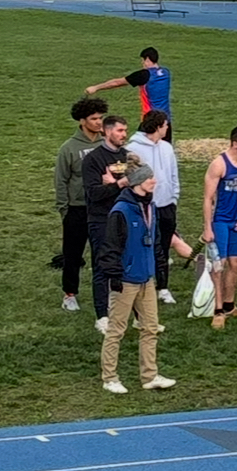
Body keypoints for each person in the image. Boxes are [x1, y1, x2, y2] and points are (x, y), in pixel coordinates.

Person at [98, 161, 176, 395]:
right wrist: (115, 277)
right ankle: (109, 377)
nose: (154, 181)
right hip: (126, 279)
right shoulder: (121, 211)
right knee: (116, 330)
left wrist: (159, 270)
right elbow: (110, 247)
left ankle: (149, 376)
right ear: (138, 182)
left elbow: (156, 243)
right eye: (150, 178)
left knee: (150, 327)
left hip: (147, 278)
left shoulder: (150, 206)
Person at [128, 110, 190, 304]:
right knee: (144, 246)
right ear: (157, 126)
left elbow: (173, 174)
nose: (167, 128)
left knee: (163, 247)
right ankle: (141, 285)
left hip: (167, 205)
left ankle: (163, 287)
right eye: (165, 125)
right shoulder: (133, 149)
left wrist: (174, 197)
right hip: (146, 207)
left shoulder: (166, 148)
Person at [54, 96, 107, 313]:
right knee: (73, 254)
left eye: (101, 118)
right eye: (94, 118)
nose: (99, 122)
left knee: (102, 253)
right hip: (77, 209)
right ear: (82, 121)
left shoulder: (106, 145)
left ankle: (104, 293)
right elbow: (61, 180)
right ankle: (69, 294)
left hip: (102, 208)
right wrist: (64, 209)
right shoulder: (69, 148)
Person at [82, 114, 133, 333]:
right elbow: (94, 194)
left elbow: (137, 185)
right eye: (120, 130)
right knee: (103, 267)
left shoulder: (128, 156)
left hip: (125, 217)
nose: (124, 134)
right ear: (107, 131)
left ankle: (131, 313)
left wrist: (115, 184)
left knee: (128, 265)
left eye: (125, 130)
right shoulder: (93, 159)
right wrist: (119, 184)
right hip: (101, 219)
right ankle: (102, 315)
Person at [202, 126, 237, 329]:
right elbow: (207, 198)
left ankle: (229, 305)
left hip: (235, 222)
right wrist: (207, 227)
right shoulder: (219, 165)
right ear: (235, 144)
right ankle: (217, 310)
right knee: (219, 265)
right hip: (220, 221)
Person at [87, 47, 173, 135]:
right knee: (165, 147)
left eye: (143, 60)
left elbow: (117, 82)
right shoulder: (166, 72)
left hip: (150, 119)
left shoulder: (144, 75)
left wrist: (96, 87)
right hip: (166, 120)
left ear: (147, 59)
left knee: (138, 145)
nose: (142, 63)